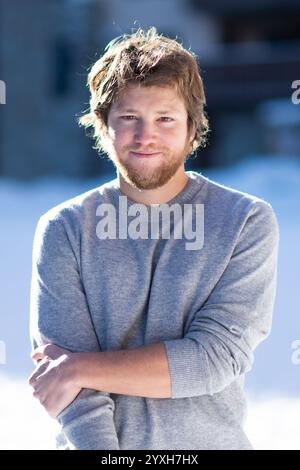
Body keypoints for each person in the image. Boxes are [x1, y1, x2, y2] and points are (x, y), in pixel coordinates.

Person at [28, 27, 279, 450]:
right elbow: (69, 388)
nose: (146, 137)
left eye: (165, 118)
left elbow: (212, 360)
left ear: (192, 125)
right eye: (129, 118)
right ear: (104, 124)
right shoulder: (65, 229)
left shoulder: (244, 221)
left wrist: (80, 368)